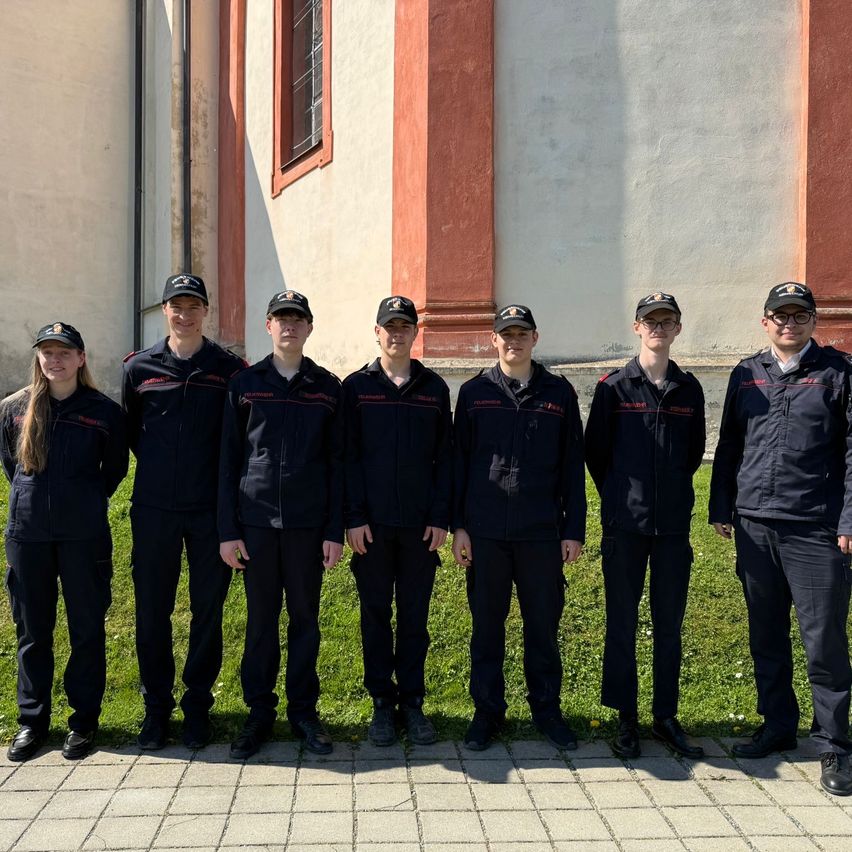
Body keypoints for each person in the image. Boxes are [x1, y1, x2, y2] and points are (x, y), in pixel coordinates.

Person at [709, 282, 852, 796]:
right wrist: (719, 505)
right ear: (765, 321)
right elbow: (729, 443)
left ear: (814, 321)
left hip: (815, 529)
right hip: (753, 524)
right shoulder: (746, 374)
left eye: (800, 315)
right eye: (780, 315)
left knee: (824, 642)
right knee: (765, 634)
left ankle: (834, 744)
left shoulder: (839, 373)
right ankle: (777, 727)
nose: (789, 323)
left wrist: (848, 521)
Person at [452, 304, 586, 750]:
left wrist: (574, 529)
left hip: (541, 532)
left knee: (542, 628)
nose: (514, 341)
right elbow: (459, 465)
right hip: (486, 532)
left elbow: (572, 466)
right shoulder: (474, 394)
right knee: (486, 628)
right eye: (505, 334)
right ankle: (487, 714)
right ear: (494, 340)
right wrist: (459, 527)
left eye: (522, 333)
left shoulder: (559, 394)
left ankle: (547, 711)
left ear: (535, 338)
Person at [122, 273, 246, 750]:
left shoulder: (229, 369)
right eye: (177, 305)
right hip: (153, 509)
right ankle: (155, 710)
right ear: (165, 311)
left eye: (193, 305)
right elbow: (133, 434)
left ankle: (196, 708)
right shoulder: (139, 368)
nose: (185, 313)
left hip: (209, 510)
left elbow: (235, 439)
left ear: (205, 312)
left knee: (207, 611)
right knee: (152, 610)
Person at [219, 290, 344, 759]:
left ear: (309, 328)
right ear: (268, 326)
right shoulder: (245, 385)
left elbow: (337, 464)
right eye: (281, 318)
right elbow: (228, 463)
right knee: (260, 623)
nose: (289, 326)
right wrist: (227, 530)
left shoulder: (328, 388)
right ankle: (258, 713)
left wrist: (334, 529)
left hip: (308, 527)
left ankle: (304, 712)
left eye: (298, 319)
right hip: (255, 526)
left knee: (306, 621)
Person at [585, 292, 706, 759]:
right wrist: (620, 497)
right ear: (637, 327)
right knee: (622, 623)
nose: (658, 327)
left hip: (673, 528)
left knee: (668, 625)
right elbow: (596, 453)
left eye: (667, 320)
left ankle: (665, 716)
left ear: (678, 328)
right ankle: (625, 718)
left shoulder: (688, 389)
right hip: (625, 527)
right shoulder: (614, 387)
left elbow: (693, 452)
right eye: (650, 320)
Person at [1, 322, 128, 761]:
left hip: (83, 537)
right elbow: (11, 468)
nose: (55, 360)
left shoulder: (104, 411)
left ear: (81, 358)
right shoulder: (14, 409)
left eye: (64, 352)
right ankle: (32, 722)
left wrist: (84, 502)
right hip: (28, 536)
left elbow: (113, 471)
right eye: (47, 352)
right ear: (39, 358)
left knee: (86, 630)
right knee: (33, 632)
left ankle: (83, 722)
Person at [343, 296, 452, 746]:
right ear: (377, 331)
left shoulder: (434, 388)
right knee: (375, 616)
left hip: (419, 528)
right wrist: (352, 518)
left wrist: (441, 517)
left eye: (404, 325)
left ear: (414, 332)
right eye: (389, 325)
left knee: (414, 618)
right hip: (371, 527)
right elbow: (346, 458)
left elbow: (446, 458)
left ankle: (412, 702)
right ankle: (381, 705)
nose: (396, 333)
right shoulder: (356, 387)